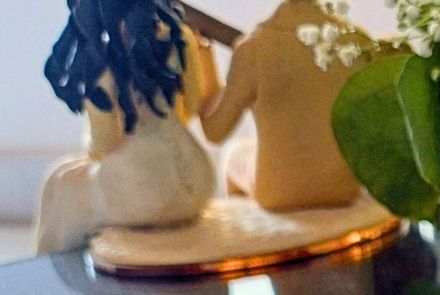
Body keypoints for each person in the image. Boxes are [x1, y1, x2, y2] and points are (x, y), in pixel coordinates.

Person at [36, 0, 215, 254]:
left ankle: (52, 277)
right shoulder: (177, 40)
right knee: (66, 175)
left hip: (143, 192)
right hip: (197, 178)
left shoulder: (102, 58)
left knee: (61, 185)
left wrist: (90, 139)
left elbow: (105, 143)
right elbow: (193, 105)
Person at [199, 0, 375, 212]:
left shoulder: (253, 48)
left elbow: (215, 132)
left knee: (234, 155)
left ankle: (258, 232)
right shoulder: (359, 40)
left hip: (278, 193)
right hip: (345, 187)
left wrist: (203, 56)